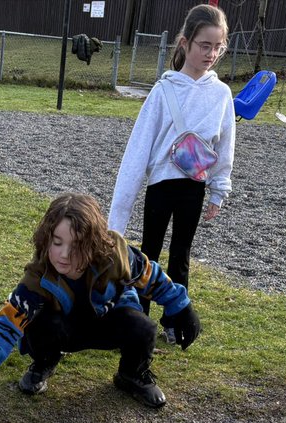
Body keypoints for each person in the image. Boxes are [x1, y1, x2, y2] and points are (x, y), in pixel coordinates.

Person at [0, 192, 201, 412]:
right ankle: (43, 364)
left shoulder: (117, 254)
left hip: (108, 321)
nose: (64, 254)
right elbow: (7, 325)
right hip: (62, 329)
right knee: (38, 323)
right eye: (57, 242)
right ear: (46, 239)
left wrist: (181, 308)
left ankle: (132, 374)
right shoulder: (38, 276)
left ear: (94, 244)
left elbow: (151, 275)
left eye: (76, 245)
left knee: (143, 327)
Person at [107, 3, 235, 341]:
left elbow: (224, 148)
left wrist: (219, 190)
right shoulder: (163, 92)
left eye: (217, 47)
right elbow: (136, 154)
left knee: (181, 257)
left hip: (194, 186)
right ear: (185, 43)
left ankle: (175, 321)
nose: (211, 53)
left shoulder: (222, 94)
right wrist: (116, 223)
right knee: (148, 253)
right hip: (161, 186)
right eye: (204, 45)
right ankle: (140, 320)